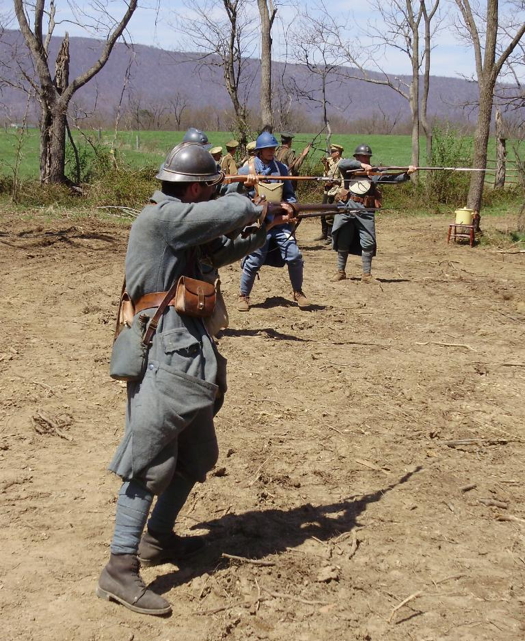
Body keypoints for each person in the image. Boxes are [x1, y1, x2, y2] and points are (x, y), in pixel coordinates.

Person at [97, 141, 293, 616]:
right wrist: (253, 201)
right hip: (163, 347)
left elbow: (218, 253)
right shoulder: (162, 217)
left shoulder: (184, 224)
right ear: (197, 189)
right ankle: (120, 567)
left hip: (189, 348)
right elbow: (222, 216)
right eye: (210, 187)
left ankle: (157, 539)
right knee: (150, 456)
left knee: (199, 454)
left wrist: (266, 227)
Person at [235, 131, 310, 311]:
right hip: (258, 223)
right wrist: (245, 186)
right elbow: (235, 194)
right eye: (267, 148)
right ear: (259, 150)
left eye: (273, 148)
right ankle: (243, 295)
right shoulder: (248, 169)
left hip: (280, 222)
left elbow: (290, 195)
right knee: (253, 260)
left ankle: (298, 292)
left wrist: (291, 206)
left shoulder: (282, 169)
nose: (271, 151)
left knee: (294, 256)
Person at [331, 144, 417, 282]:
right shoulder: (348, 169)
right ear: (357, 157)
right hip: (347, 208)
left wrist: (407, 173)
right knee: (343, 240)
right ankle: (340, 271)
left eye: (366, 157)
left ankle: (366, 275)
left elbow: (392, 179)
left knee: (368, 242)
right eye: (361, 157)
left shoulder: (374, 172)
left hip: (365, 211)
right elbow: (342, 163)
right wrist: (361, 165)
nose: (364, 159)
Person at [317, 143, 344, 244]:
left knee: (331, 214)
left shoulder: (342, 163)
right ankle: (324, 234)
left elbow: (343, 179)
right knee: (322, 211)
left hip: (335, 190)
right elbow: (326, 175)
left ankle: (330, 236)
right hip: (327, 190)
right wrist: (326, 167)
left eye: (333, 151)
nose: (331, 153)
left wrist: (340, 192)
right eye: (331, 151)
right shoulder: (329, 162)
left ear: (338, 153)